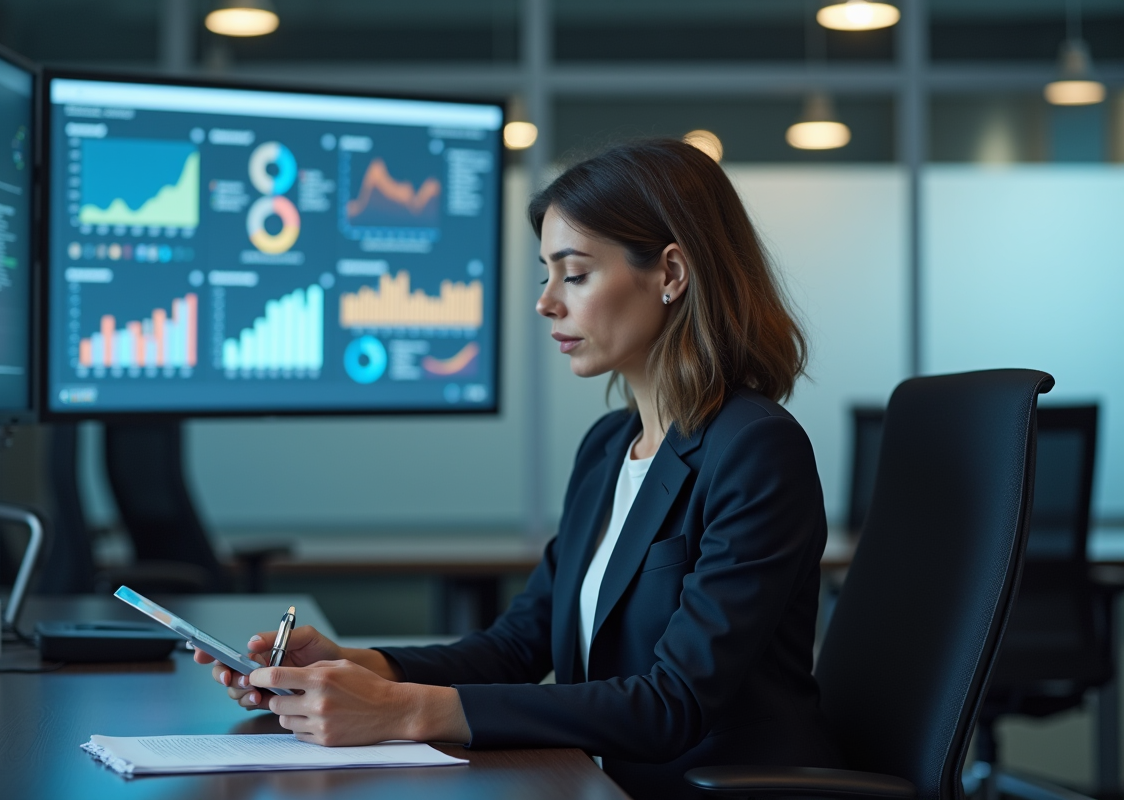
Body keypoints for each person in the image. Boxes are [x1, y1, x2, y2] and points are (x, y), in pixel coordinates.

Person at [195, 138, 840, 799]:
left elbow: (670, 704)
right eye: (546, 275)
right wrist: (362, 666)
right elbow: (518, 645)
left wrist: (405, 709)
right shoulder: (609, 446)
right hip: (599, 781)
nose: (546, 303)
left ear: (672, 274)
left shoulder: (755, 449)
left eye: (576, 274)